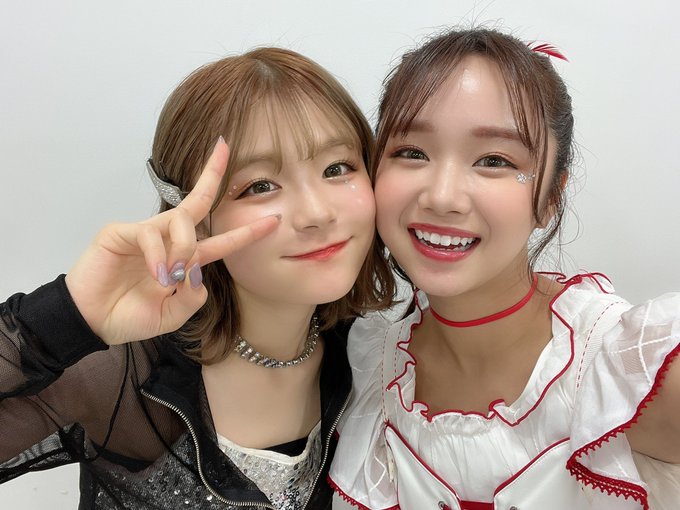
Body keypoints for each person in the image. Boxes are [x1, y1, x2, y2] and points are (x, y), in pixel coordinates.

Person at [0, 47, 394, 509]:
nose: (317, 213)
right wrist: (69, 314)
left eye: (337, 168)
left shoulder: (374, 357)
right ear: (193, 215)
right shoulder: (120, 370)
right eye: (260, 186)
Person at [329, 28, 680, 510]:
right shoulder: (365, 370)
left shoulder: (630, 376)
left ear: (551, 197)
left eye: (494, 160)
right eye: (412, 153)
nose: (442, 197)